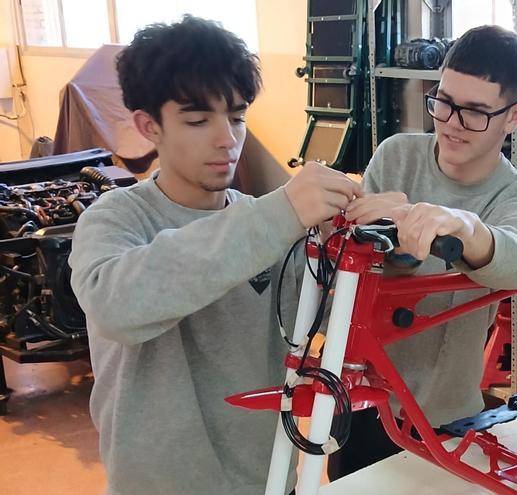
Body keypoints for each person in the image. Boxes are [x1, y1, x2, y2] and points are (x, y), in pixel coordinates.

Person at [68, 16, 362, 495]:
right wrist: (281, 213)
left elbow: (335, 323)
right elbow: (117, 308)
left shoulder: (270, 225)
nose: (227, 139)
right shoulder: (114, 220)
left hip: (267, 480)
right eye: (198, 120)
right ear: (148, 125)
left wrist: (362, 247)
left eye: (238, 116)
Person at [325, 25, 517, 479]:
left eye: (475, 112)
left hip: (444, 418)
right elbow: (364, 271)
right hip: (364, 398)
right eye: (443, 102)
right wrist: (380, 231)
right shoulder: (396, 156)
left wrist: (466, 227)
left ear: (514, 116)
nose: (451, 123)